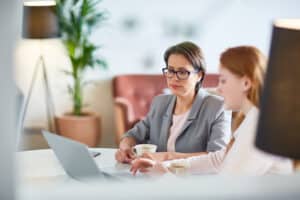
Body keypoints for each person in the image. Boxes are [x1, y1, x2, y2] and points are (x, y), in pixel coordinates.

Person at [130, 46, 293, 176]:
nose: (218, 88)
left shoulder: (259, 129)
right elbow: (218, 159)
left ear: (245, 83)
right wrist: (162, 166)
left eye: (223, 80)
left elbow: (227, 189)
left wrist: (165, 175)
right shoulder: (252, 120)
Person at [115, 41, 231, 163]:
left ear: (199, 75)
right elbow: (132, 135)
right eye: (170, 71)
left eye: (182, 72)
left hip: (195, 179)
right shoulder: (160, 102)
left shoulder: (218, 107)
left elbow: (218, 157)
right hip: (156, 177)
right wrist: (125, 148)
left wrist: (167, 157)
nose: (174, 78)